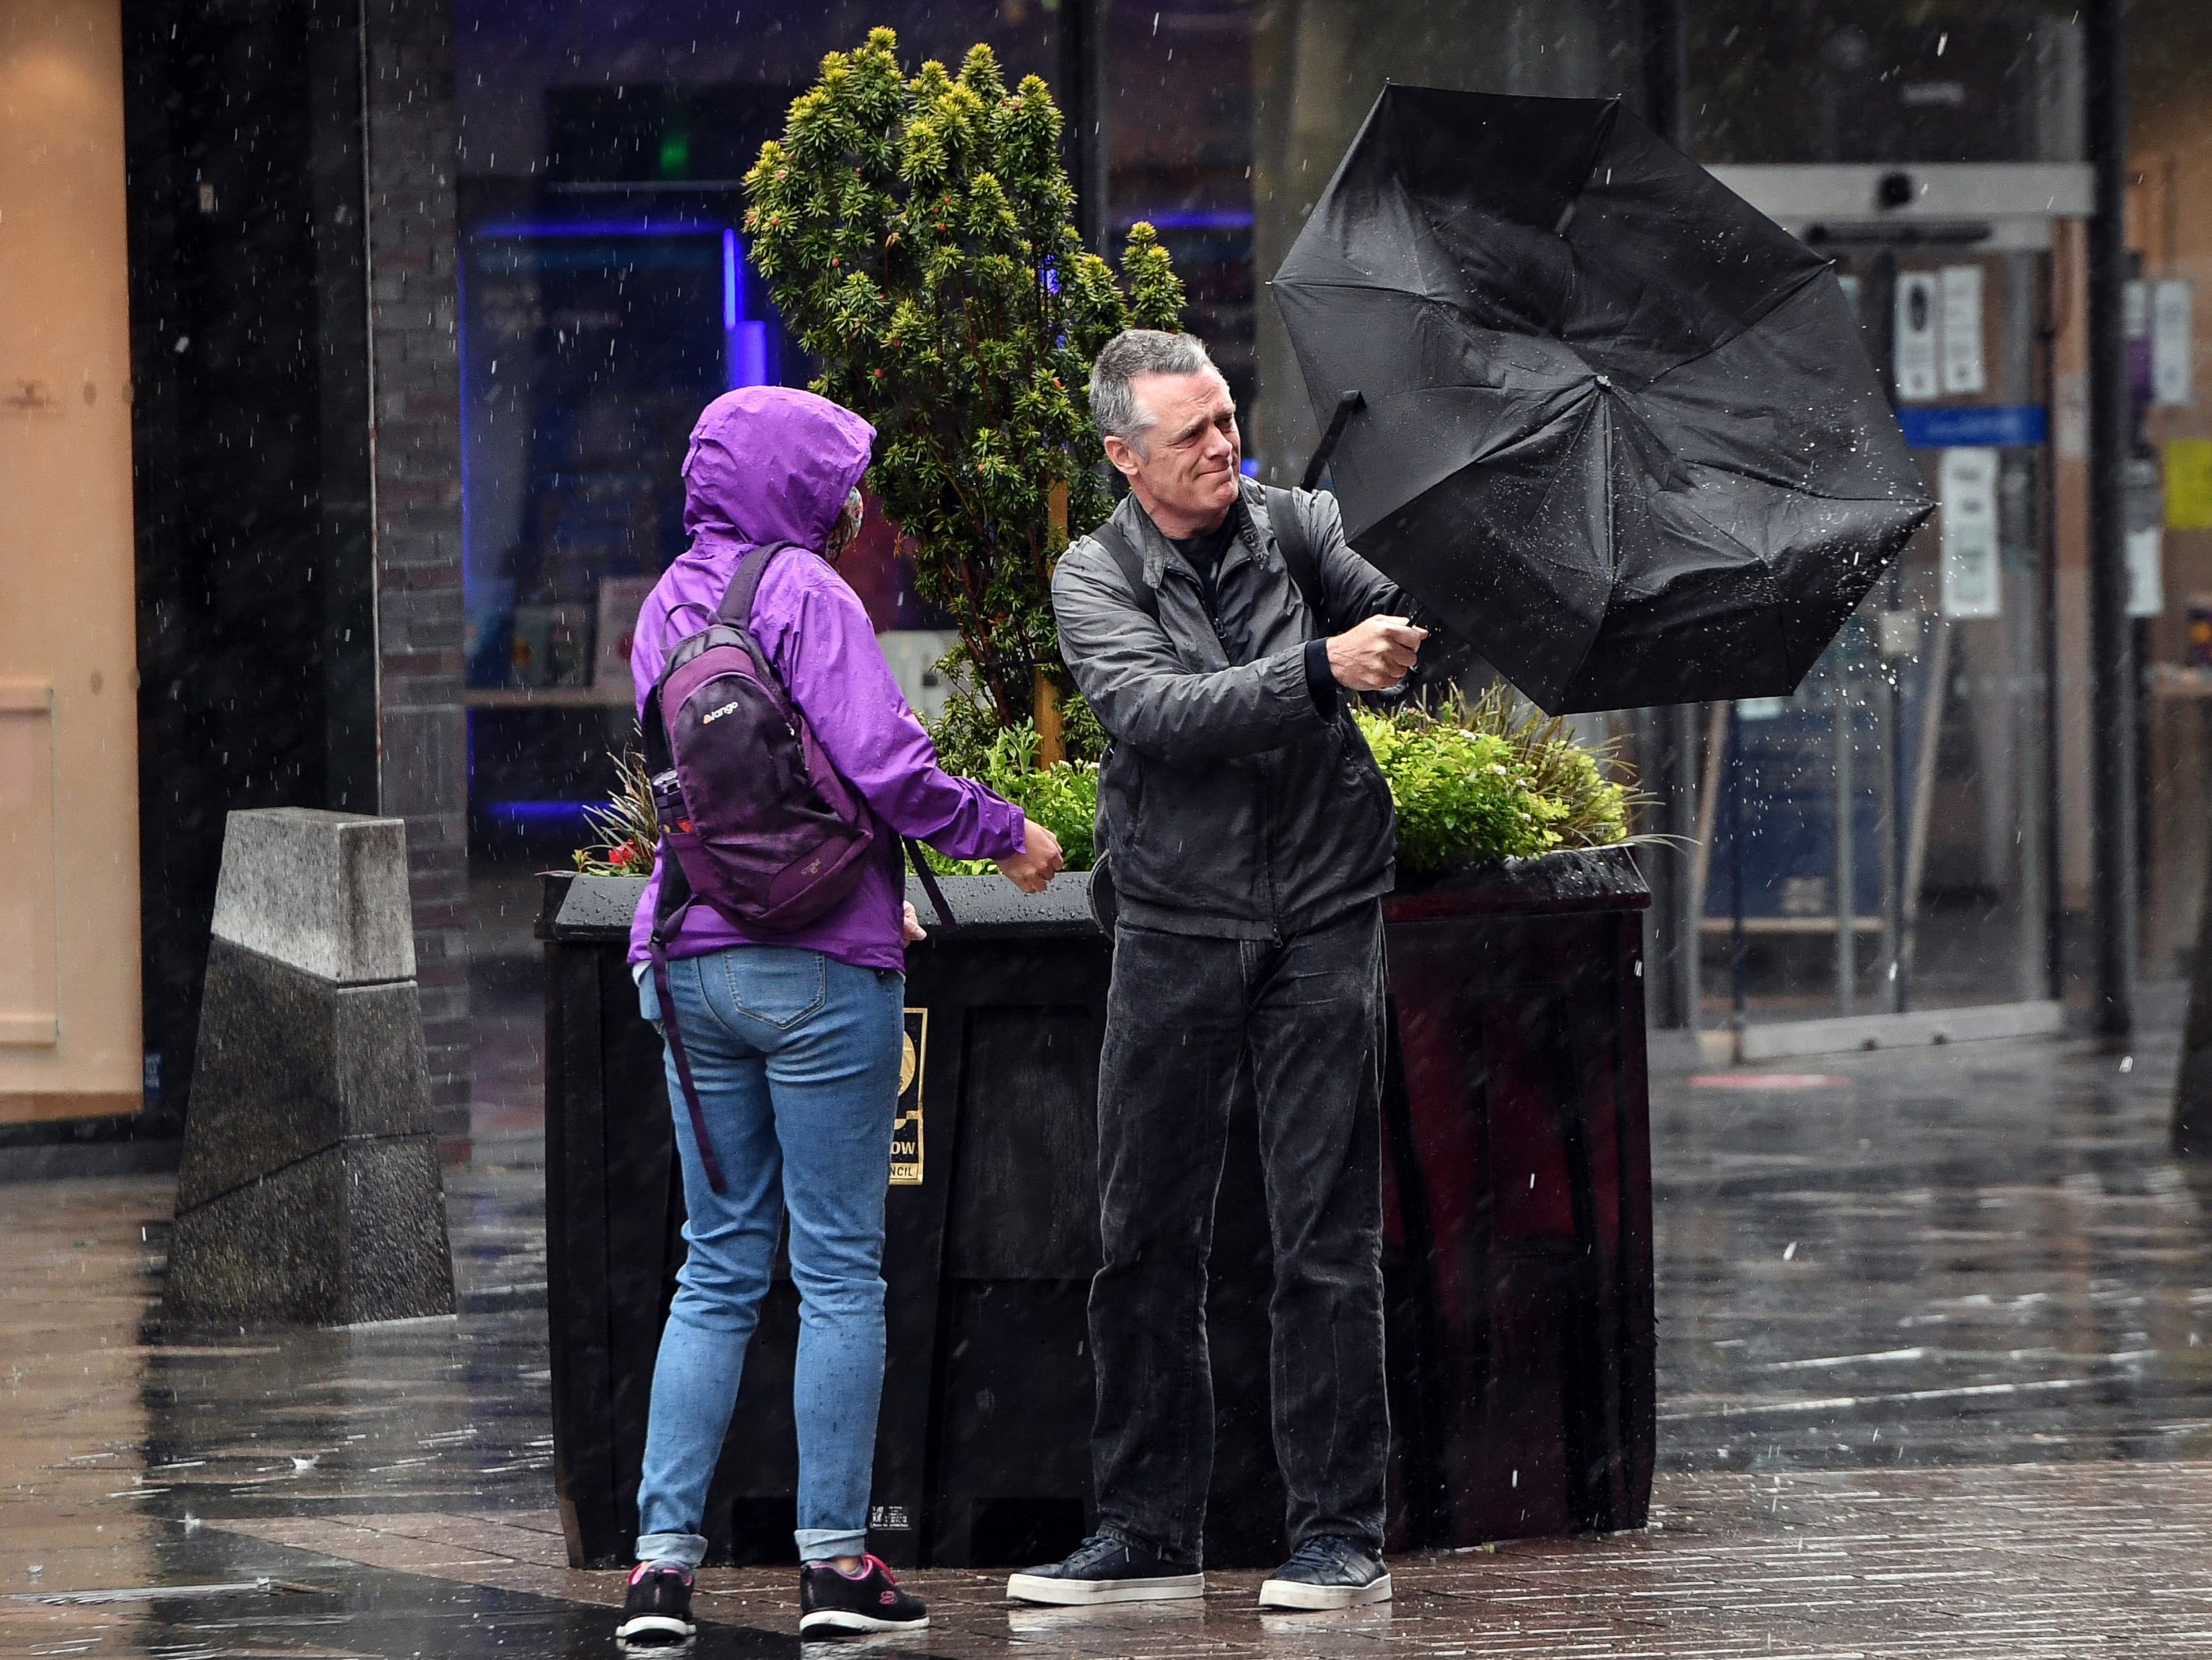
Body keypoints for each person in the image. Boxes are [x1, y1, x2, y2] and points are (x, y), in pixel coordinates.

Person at [614, 386, 1064, 1645]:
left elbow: (700, 797)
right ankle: (834, 1569)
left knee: (712, 1269)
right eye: (846, 479)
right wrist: (1006, 835)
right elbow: (883, 766)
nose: (860, 503)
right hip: (821, 973)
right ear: (809, 489)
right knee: (838, 1272)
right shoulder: (812, 595)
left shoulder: (663, 607)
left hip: (689, 955)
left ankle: (659, 1571)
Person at [1008, 330, 1429, 1613]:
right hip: (1176, 919)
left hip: (1322, 908)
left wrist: (1409, 632)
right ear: (1125, 458)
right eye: (1192, 434)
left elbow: (1399, 640)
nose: (1222, 446)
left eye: (1228, 419)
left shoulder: (1297, 526)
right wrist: (1317, 669)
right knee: (1142, 1236)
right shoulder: (1094, 576)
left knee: (1324, 1237)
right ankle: (1141, 1529)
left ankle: (1338, 1534)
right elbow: (1157, 715)